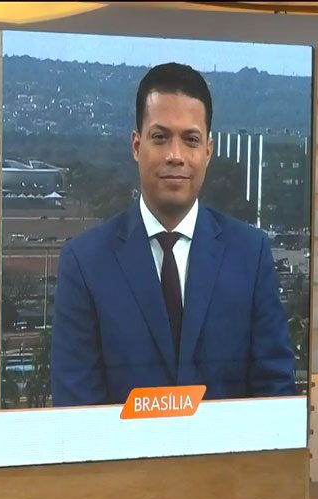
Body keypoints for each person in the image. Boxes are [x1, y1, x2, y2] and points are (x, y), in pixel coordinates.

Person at [50, 62, 295, 407]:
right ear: (136, 146)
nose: (175, 156)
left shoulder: (250, 255)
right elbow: (76, 407)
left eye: (190, 140)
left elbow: (275, 396)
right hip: (124, 461)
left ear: (208, 151)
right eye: (160, 137)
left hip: (227, 462)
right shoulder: (85, 263)